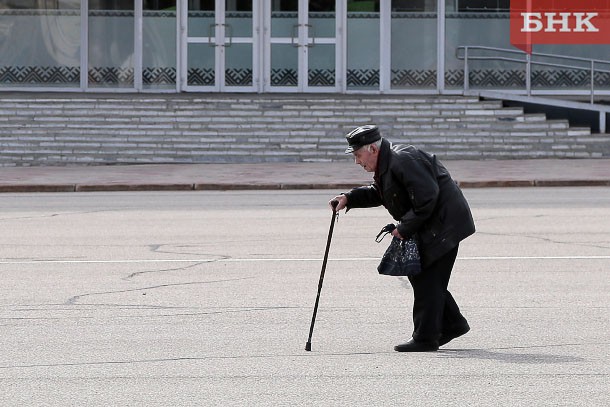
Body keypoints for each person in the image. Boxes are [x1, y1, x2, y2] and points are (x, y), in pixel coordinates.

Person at [329, 124, 475, 352]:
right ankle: (453, 324)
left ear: (372, 150)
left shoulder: (403, 160)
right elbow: (379, 192)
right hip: (432, 225)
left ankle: (426, 338)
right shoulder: (388, 164)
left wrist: (404, 228)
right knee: (426, 280)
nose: (357, 161)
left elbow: (427, 198)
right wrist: (349, 198)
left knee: (427, 280)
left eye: (358, 155)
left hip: (445, 226)